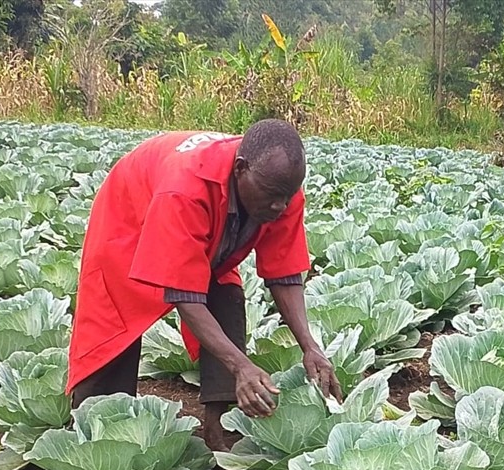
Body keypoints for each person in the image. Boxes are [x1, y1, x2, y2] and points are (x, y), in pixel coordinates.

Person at [65, 119, 342, 451]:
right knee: (112, 326)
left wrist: (311, 347)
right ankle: (94, 432)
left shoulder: (278, 187)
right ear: (240, 169)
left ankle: (217, 430)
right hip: (129, 222)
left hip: (208, 226)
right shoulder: (186, 187)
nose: (280, 206)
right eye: (272, 196)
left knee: (226, 299)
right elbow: (184, 295)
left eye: (288, 196)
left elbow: (284, 273)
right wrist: (240, 366)